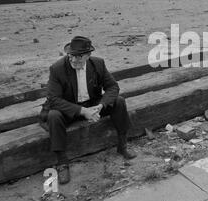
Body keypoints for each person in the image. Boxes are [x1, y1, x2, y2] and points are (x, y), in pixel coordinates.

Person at [39, 36, 136, 184]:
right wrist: (82, 111)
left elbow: (113, 87)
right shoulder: (57, 69)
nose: (73, 60)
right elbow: (54, 99)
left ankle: (122, 145)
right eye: (71, 55)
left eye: (79, 57)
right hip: (69, 108)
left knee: (119, 101)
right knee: (53, 115)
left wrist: (101, 105)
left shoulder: (98, 64)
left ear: (88, 55)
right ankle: (62, 162)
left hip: (92, 104)